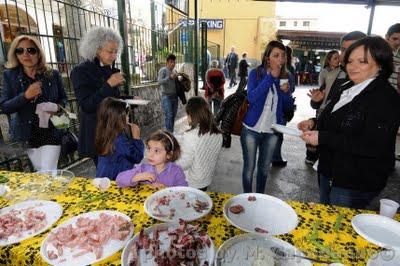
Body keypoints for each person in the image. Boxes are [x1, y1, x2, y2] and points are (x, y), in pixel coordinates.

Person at [299, 36, 400, 209]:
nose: (353, 66)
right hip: (329, 170)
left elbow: (372, 145)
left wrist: (323, 138)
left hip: (354, 181)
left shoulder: (386, 98)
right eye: (350, 60)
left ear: (380, 64)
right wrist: (314, 123)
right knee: (326, 217)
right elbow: (337, 120)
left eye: (362, 61)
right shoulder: (347, 86)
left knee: (338, 228)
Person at [0, 35, 67, 171]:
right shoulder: (10, 76)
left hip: (51, 131)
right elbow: (4, 106)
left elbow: (63, 98)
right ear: (15, 53)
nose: (25, 54)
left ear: (38, 53)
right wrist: (25, 96)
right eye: (20, 50)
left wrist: (57, 107)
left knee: (47, 171)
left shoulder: (52, 74)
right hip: (28, 134)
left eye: (31, 50)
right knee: (42, 171)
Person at [241, 40, 295, 193]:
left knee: (264, 169)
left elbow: (288, 107)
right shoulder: (256, 74)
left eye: (282, 56)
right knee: (249, 168)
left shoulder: (287, 77)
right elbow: (251, 97)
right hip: (251, 129)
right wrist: (271, 78)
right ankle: (247, 198)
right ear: (267, 58)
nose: (280, 59)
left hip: (272, 131)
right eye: (276, 55)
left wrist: (286, 93)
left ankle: (259, 198)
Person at [305, 31, 366, 165]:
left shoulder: (377, 90)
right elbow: (327, 107)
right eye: (343, 50)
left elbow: (365, 140)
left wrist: (323, 137)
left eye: (353, 49)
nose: (346, 55)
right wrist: (317, 105)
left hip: (350, 169)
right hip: (329, 162)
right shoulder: (335, 75)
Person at [71, 27, 125, 166]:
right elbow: (87, 105)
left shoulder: (108, 68)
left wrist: (129, 98)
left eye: (116, 52)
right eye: (110, 51)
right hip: (98, 133)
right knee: (105, 174)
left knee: (119, 172)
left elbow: (112, 98)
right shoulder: (80, 71)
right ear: (96, 49)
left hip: (115, 130)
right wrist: (109, 84)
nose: (113, 56)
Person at [176, 97, 222, 190]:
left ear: (191, 115)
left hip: (192, 182)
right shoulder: (218, 134)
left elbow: (185, 163)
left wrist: (169, 159)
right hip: (207, 179)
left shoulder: (191, 135)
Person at [116, 130, 187, 188]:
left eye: (156, 151)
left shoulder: (176, 171)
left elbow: (183, 192)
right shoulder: (143, 168)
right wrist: (138, 176)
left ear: (169, 154)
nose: (150, 154)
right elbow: (119, 180)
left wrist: (166, 189)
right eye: (149, 149)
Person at [94, 97, 144, 180]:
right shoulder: (119, 140)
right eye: (126, 115)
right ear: (117, 119)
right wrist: (137, 138)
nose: (128, 118)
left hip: (104, 178)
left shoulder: (104, 133)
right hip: (116, 180)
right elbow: (137, 157)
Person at [271, 45, 296, 167]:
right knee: (278, 134)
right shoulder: (287, 72)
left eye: (282, 55)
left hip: (277, 110)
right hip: (280, 111)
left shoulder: (285, 73)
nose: (281, 59)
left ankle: (272, 156)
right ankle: (275, 157)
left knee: (273, 134)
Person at [158, 54, 179, 133]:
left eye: (174, 62)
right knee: (169, 116)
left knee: (173, 116)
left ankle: (170, 133)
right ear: (167, 62)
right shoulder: (163, 70)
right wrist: (169, 77)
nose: (173, 64)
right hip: (166, 96)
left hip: (175, 97)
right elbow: (159, 81)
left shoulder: (175, 71)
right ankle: (168, 134)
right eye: (171, 62)